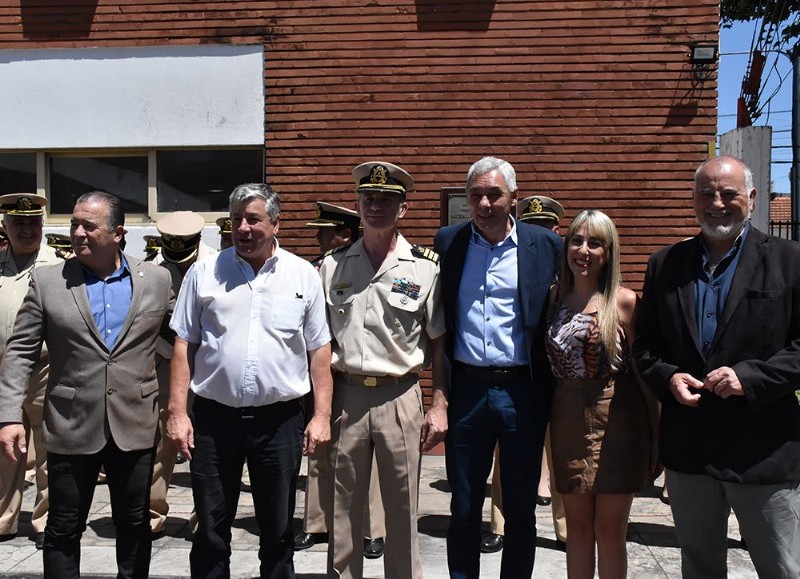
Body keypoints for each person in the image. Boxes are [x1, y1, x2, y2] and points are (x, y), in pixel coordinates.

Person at [634, 155, 800, 578]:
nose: (717, 203)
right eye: (706, 194)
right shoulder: (665, 264)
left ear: (752, 198)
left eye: (729, 193)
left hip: (763, 451)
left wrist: (749, 377)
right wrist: (668, 377)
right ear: (693, 200)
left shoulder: (789, 260)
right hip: (690, 452)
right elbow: (646, 347)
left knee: (781, 567)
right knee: (700, 566)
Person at [0, 190, 173, 579]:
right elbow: (20, 352)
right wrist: (8, 415)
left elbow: (181, 339)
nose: (78, 232)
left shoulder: (157, 280)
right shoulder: (48, 282)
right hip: (70, 423)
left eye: (88, 226)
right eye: (74, 224)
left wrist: (181, 405)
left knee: (133, 526)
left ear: (117, 233)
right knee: (63, 528)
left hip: (135, 423)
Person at [166, 183, 333, 578]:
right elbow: (183, 345)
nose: (243, 228)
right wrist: (177, 412)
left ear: (276, 223)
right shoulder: (204, 272)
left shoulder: (302, 275)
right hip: (213, 421)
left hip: (279, 423)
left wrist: (321, 415)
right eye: (236, 219)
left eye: (253, 219)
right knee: (210, 530)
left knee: (277, 532)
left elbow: (319, 351)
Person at [433, 157, 561, 579]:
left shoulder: (544, 246)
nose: (484, 203)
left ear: (514, 199)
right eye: (476, 195)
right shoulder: (449, 242)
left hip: (522, 391)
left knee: (521, 509)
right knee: (464, 506)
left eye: (494, 194)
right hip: (467, 391)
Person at [319, 161, 447, 579]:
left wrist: (439, 404)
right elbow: (319, 345)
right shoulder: (332, 266)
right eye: (369, 198)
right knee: (343, 508)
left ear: (403, 208)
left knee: (402, 508)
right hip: (347, 397)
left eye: (387, 199)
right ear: (357, 205)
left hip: (400, 397)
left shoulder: (425, 268)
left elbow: (439, 340)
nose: (376, 206)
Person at [547, 209, 653, 579]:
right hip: (567, 422)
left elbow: (645, 371)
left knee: (609, 531)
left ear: (609, 252)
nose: (584, 250)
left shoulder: (624, 302)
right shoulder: (554, 297)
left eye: (595, 243)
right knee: (576, 530)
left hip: (617, 423)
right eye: (577, 240)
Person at [295, 201, 386, 559]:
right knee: (319, 448)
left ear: (344, 235)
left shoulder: (370, 266)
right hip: (324, 372)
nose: (317, 236)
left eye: (324, 231)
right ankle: (317, 522)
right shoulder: (321, 270)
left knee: (372, 455)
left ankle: (371, 530)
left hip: (362, 372)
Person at [482, 194, 568, 554]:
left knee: (561, 454)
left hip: (559, 378)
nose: (539, 234)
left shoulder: (567, 260)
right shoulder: (512, 258)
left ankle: (565, 528)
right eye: (532, 226)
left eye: (545, 227)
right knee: (506, 457)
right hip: (520, 376)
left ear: (555, 231)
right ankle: (499, 524)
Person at [0, 194, 62, 551]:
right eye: (19, 223)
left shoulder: (57, 265)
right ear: (5, 227)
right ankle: (4, 519)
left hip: (45, 367)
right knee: (4, 449)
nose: (27, 230)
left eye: (33, 223)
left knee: (48, 448)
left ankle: (47, 521)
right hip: (4, 370)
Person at [149, 211, 216, 539]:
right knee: (161, 441)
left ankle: (204, 517)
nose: (179, 264)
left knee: (206, 444)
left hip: (209, 369)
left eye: (184, 256)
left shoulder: (219, 268)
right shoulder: (156, 270)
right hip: (166, 366)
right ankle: (151, 514)